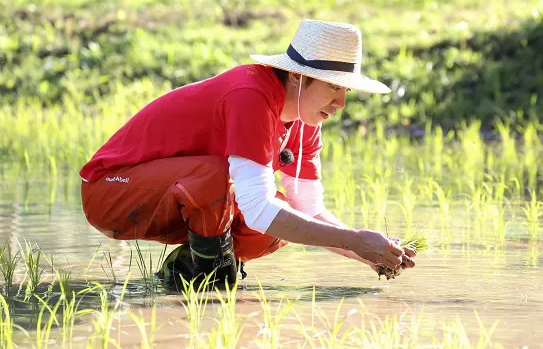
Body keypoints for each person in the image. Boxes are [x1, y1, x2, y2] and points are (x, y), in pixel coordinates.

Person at [79, 19, 416, 289]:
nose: (341, 103)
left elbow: (308, 209)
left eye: (345, 89)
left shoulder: (305, 120)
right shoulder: (250, 96)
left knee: (277, 225)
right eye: (333, 87)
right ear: (298, 76)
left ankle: (187, 271)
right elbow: (256, 209)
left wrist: (371, 255)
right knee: (220, 178)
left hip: (177, 193)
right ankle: (213, 285)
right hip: (110, 190)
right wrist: (355, 240)